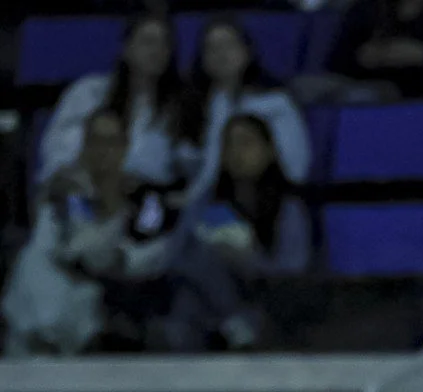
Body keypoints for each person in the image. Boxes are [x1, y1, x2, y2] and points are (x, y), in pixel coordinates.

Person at [3, 109, 185, 357]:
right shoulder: (65, 196)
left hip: (121, 290)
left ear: (124, 147)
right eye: (95, 141)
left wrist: (116, 256)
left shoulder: (147, 201)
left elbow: (152, 251)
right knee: (31, 264)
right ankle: (41, 342)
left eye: (111, 142)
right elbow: (47, 247)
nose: (103, 151)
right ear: (85, 147)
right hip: (67, 285)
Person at [180, 114, 313, 352]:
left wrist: (249, 261)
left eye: (246, 143)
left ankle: (239, 323)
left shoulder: (288, 208)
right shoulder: (205, 204)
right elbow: (182, 256)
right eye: (229, 145)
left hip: (267, 302)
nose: (237, 153)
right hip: (209, 303)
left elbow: (292, 270)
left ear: (269, 151)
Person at [36, 13, 196, 190]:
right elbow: (58, 150)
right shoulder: (89, 92)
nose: (157, 51)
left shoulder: (175, 108)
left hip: (145, 196)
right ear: (126, 48)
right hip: (84, 190)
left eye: (165, 44)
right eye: (148, 42)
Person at [189, 15, 312, 195]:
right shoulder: (209, 102)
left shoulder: (277, 102)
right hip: (222, 198)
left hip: (275, 197)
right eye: (212, 48)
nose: (221, 54)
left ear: (247, 51)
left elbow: (296, 170)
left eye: (228, 45)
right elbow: (209, 170)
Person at [329, 0, 423, 100]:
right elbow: (337, 60)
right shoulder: (368, 9)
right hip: (361, 81)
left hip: (421, 95)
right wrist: (364, 57)